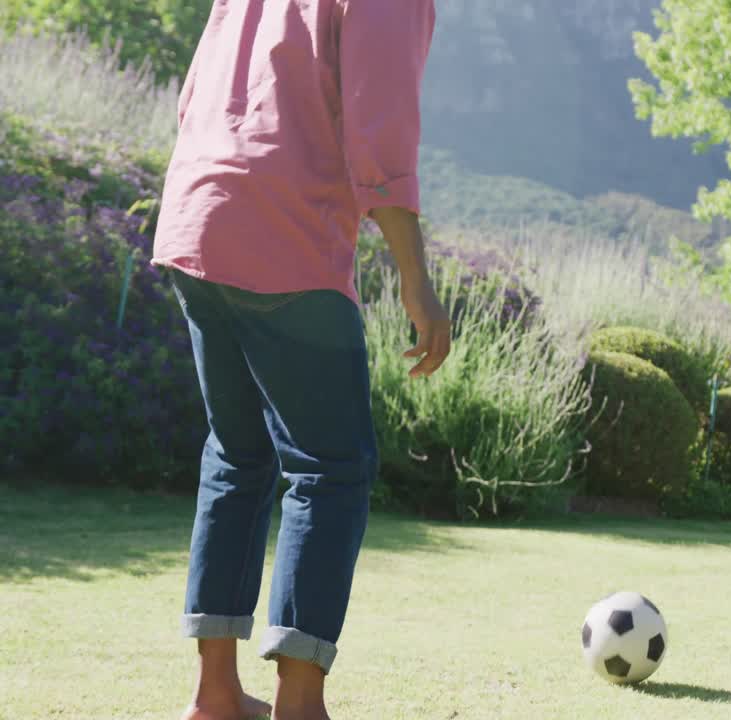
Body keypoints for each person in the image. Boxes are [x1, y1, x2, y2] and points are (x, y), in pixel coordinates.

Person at [149, 1, 449, 717]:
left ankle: (215, 694)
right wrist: (416, 277)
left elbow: (196, 91)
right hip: (283, 229)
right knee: (330, 466)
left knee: (237, 452)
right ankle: (299, 701)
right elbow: (379, 124)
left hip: (197, 210)